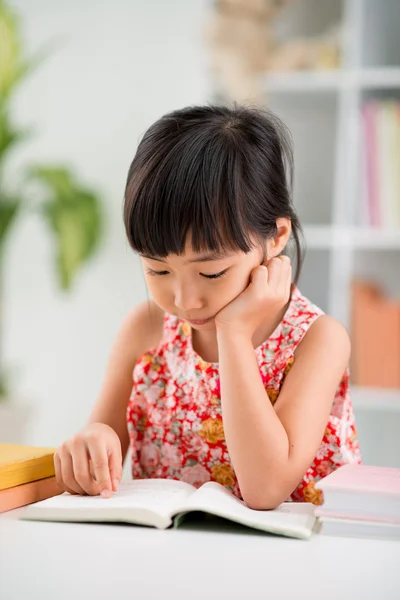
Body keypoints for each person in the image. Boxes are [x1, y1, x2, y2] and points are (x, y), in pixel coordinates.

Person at [54, 105, 361, 509]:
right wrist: (93, 444)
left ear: (277, 236)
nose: (185, 301)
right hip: (175, 557)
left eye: (212, 273)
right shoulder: (146, 330)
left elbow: (265, 488)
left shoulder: (317, 340)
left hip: (293, 564)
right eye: (157, 270)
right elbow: (100, 443)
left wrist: (234, 332)